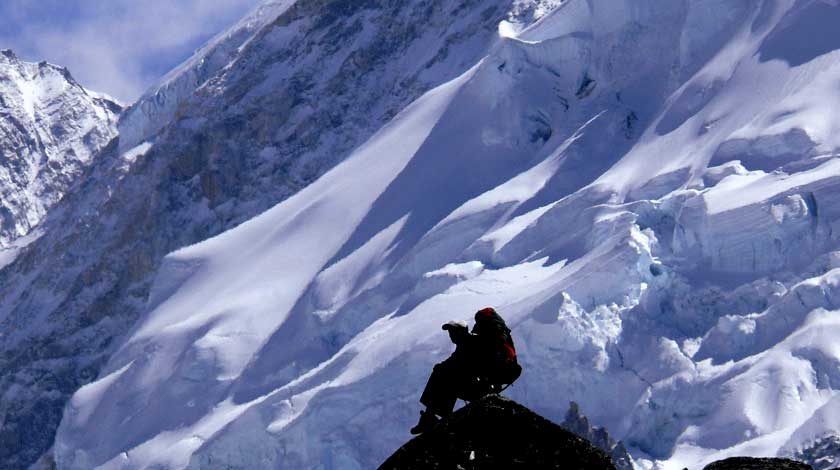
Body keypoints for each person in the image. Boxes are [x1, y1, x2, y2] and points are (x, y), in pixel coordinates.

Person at [410, 307, 522, 434]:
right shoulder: (472, 343)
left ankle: (431, 418)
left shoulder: (470, 345)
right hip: (484, 385)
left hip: (482, 389)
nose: (451, 335)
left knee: (442, 375)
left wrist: (442, 369)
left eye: (453, 331)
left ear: (461, 332)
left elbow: (456, 365)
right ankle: (432, 417)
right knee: (442, 373)